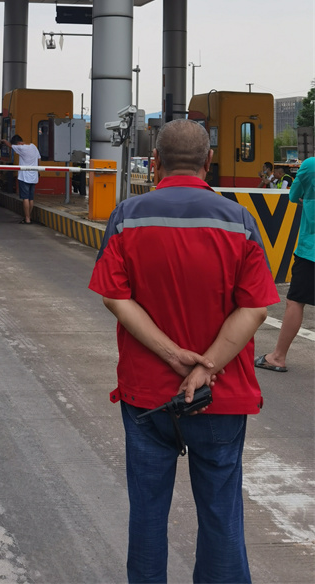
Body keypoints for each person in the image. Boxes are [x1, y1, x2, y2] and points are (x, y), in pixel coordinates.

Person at [88, 118, 278, 584]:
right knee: (221, 516)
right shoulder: (239, 221)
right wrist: (205, 367)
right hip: (220, 394)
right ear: (208, 163)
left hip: (147, 395)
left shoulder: (128, 215)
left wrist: (173, 356)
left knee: (148, 515)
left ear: (154, 164)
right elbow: (254, 309)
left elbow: (115, 297)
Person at [255, 155, 314, 373]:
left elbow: (293, 196)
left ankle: (278, 357)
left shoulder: (310, 166)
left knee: (295, 301)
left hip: (311, 250)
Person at [0, 134, 40, 223]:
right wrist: (38, 171)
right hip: (34, 176)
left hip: (24, 177)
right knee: (31, 199)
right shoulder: (33, 147)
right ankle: (28, 217)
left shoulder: (21, 148)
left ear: (18, 143)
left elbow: (9, 145)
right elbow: (39, 160)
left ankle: (27, 218)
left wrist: (3, 140)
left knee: (25, 198)